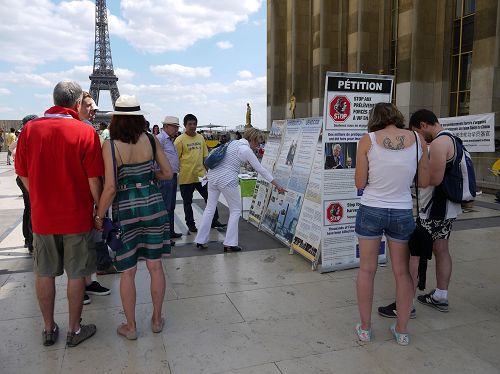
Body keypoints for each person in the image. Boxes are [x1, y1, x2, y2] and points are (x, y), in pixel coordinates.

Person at [15, 80, 104, 347]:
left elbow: (22, 173)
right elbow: (93, 179)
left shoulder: (30, 129)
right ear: (77, 103)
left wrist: (40, 197)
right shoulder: (85, 131)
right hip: (76, 215)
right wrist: (99, 210)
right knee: (77, 274)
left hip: (43, 217)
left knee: (44, 272)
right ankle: (74, 329)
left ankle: (48, 327)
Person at [94, 95, 173, 340]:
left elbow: (110, 188)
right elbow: (168, 173)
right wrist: (147, 180)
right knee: (155, 266)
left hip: (127, 210)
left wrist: (99, 216)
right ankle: (157, 319)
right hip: (154, 207)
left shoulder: (110, 144)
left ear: (116, 117)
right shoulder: (150, 139)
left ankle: (131, 327)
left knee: (127, 272)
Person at [354, 102, 428, 346]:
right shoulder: (417, 139)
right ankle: (402, 330)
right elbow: (425, 180)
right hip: (401, 211)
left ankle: (365, 329)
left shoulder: (368, 140)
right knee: (402, 272)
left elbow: (360, 182)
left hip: (371, 208)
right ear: (397, 116)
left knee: (367, 269)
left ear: (374, 118)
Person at [195, 128, 285, 251]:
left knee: (210, 208)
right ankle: (230, 243)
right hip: (227, 180)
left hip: (212, 177)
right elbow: (261, 170)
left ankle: (200, 239)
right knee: (236, 210)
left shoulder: (232, 143)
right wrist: (277, 185)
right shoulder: (245, 149)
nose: (258, 145)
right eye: (258, 142)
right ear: (252, 139)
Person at [411, 109, 462, 312]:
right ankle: (441, 296)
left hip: (433, 209)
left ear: (424, 125)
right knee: (441, 249)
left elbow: (433, 180)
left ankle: (407, 304)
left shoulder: (440, 143)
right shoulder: (454, 139)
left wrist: (415, 176)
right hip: (447, 209)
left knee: (414, 253)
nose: (419, 137)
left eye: (418, 132)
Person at [78, 92, 112, 304]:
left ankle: (88, 282)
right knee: (81, 245)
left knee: (89, 242)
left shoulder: (88, 129)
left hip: (91, 193)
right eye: (90, 106)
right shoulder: (81, 130)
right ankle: (79, 287)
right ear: (77, 104)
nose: (94, 111)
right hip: (83, 196)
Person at [175, 114, 225, 233]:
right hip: (186, 177)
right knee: (187, 202)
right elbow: (175, 159)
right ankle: (191, 224)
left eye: (194, 124)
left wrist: (210, 173)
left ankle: (214, 220)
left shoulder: (201, 138)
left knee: (210, 198)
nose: (192, 126)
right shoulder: (179, 140)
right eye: (190, 124)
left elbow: (205, 157)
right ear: (185, 125)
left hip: (201, 176)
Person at [10, 115, 38, 254]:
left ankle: (29, 239)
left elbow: (11, 148)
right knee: (32, 209)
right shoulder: (27, 136)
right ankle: (32, 241)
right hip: (26, 177)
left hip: (22, 177)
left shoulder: (23, 136)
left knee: (29, 209)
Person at [157, 116, 183, 240]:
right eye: (174, 127)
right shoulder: (160, 139)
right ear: (166, 126)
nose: (176, 129)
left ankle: (170, 231)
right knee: (166, 206)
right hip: (165, 177)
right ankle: (165, 235)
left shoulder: (168, 139)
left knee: (171, 206)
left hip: (171, 176)